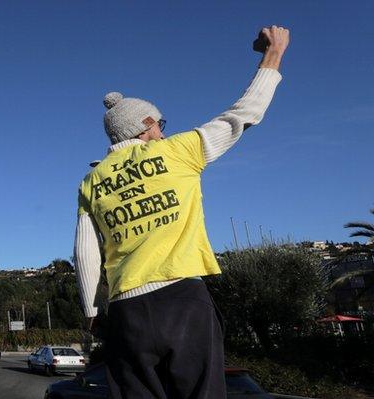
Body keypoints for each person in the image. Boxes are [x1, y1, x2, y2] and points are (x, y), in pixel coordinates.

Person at [73, 26, 289, 398]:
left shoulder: (92, 181)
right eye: (160, 123)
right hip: (182, 302)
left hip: (126, 312)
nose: (162, 130)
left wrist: (94, 313)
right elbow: (243, 115)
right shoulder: (177, 152)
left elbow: (86, 253)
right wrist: (273, 56)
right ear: (145, 125)